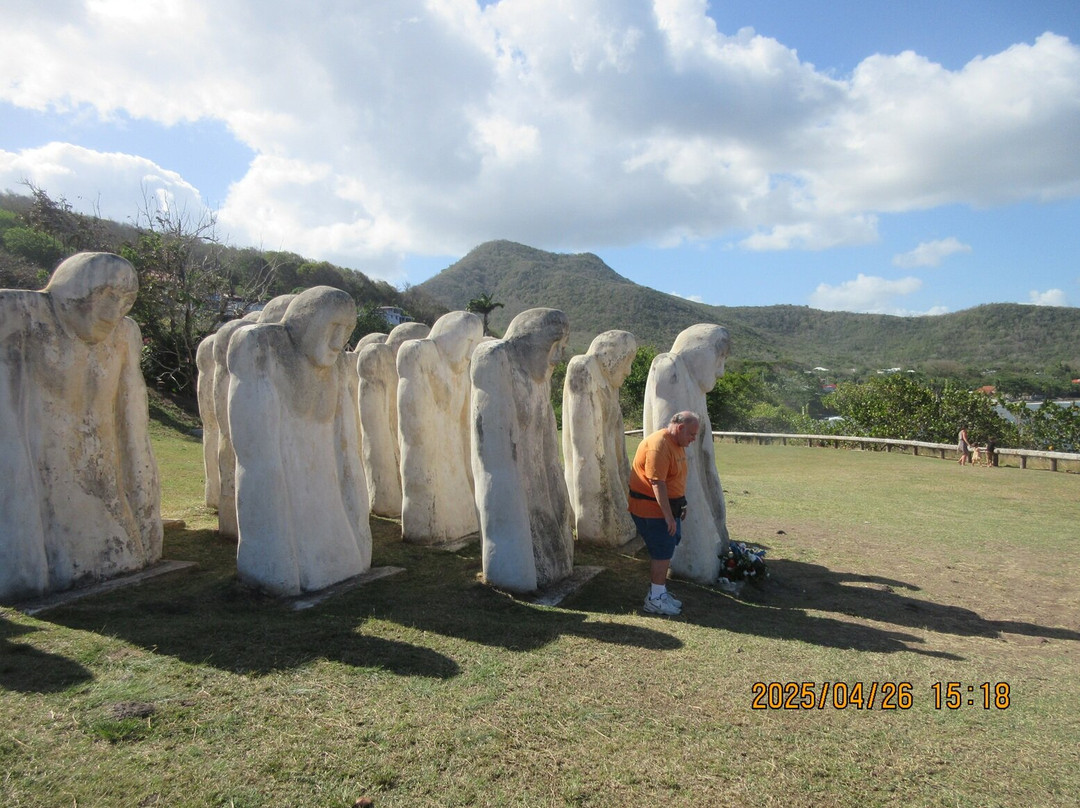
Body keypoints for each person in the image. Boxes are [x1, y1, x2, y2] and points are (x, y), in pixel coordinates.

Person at [1, 252, 162, 602]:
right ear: (73, 291)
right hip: (43, 487)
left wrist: (147, 515)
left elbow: (132, 424)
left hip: (104, 486)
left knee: (122, 552)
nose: (113, 312)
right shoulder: (18, 316)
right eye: (105, 297)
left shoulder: (124, 335)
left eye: (124, 301)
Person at [628, 411, 701, 616]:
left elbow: (674, 480)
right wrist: (668, 516)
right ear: (680, 428)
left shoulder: (676, 443)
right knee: (662, 551)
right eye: (692, 434)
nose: (693, 439)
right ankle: (654, 599)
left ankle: (659, 591)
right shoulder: (659, 445)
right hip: (652, 510)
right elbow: (657, 483)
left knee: (667, 548)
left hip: (668, 508)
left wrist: (681, 506)